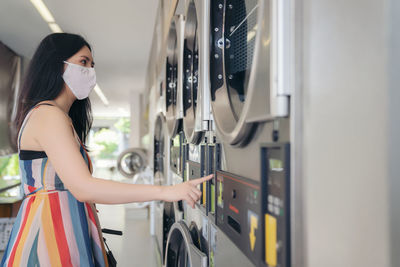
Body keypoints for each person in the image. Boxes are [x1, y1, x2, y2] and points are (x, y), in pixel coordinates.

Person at [1, 33, 212, 266]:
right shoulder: (47, 115)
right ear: (56, 64)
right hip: (50, 239)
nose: (90, 71)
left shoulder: (59, 116)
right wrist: (165, 192)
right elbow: (83, 188)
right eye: (83, 62)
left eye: (92, 65)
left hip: (64, 230)